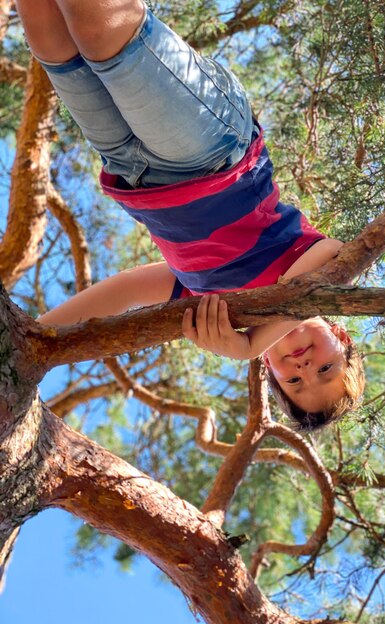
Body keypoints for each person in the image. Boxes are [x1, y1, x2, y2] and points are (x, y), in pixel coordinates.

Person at [17, 0, 364, 430]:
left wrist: (25, 342)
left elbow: (125, 290)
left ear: (273, 376)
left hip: (131, 168)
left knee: (50, 34)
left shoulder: (216, 307)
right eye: (326, 369)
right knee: (99, 28)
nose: (305, 366)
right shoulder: (320, 268)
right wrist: (247, 347)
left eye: (294, 380)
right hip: (213, 153)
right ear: (342, 338)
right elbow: (323, 273)